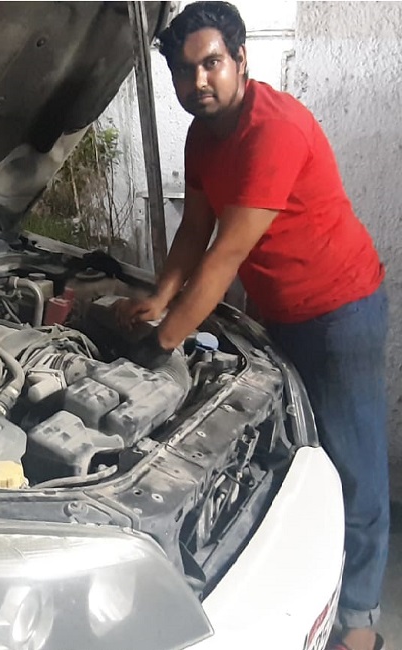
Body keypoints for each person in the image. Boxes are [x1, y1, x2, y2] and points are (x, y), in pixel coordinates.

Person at [116, 3, 389, 649]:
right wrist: (158, 297)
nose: (198, 82)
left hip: (340, 310)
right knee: (299, 451)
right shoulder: (202, 135)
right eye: (184, 72)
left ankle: (359, 622)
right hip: (280, 311)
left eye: (211, 63)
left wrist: (163, 343)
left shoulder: (274, 130)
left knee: (354, 466)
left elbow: (224, 256)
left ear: (241, 59)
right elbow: (194, 229)